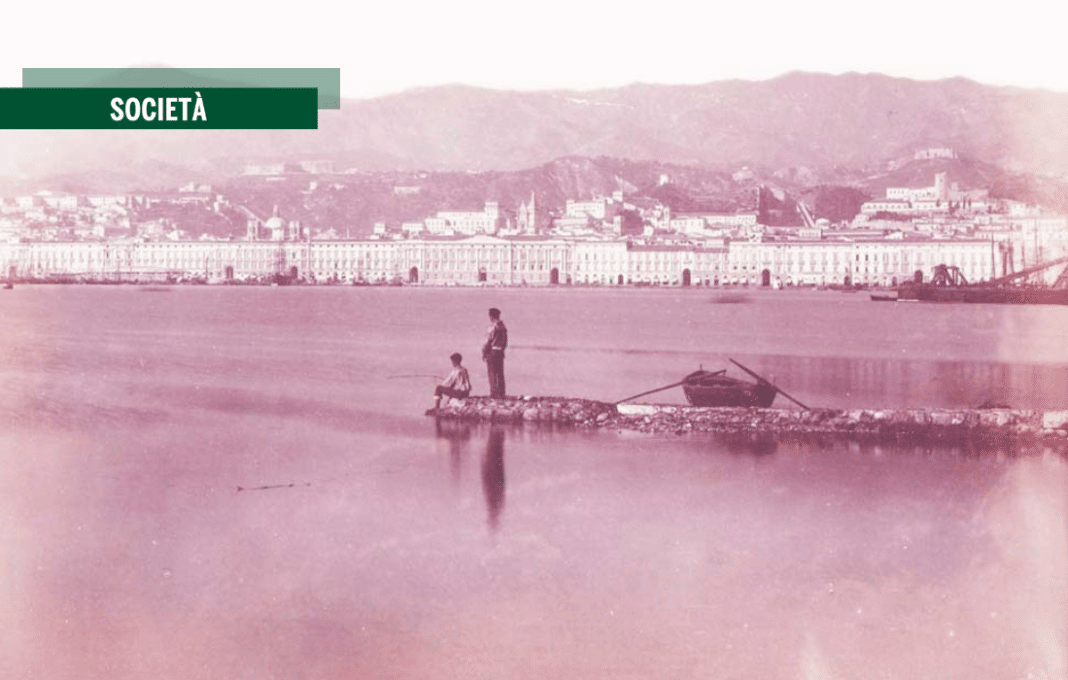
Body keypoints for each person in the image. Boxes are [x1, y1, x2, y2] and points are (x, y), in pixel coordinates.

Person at [482, 307, 508, 398]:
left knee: (492, 373)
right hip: (500, 351)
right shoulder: (503, 327)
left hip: (492, 351)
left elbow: (488, 341)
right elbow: (505, 342)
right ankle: (501, 392)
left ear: (491, 316)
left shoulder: (493, 327)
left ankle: (494, 393)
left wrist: (484, 352)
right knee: (500, 373)